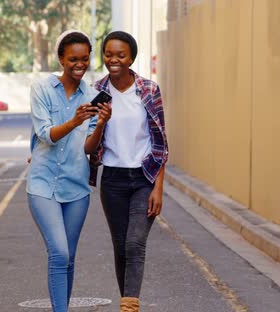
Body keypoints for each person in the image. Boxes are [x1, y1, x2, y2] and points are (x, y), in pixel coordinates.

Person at [26, 30, 111, 312]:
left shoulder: (92, 94)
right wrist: (75, 121)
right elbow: (45, 135)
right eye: (73, 59)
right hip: (42, 185)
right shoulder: (41, 89)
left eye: (85, 59)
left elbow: (88, 148)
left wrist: (99, 124)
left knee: (69, 256)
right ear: (61, 59)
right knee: (59, 252)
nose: (79, 64)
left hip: (76, 188)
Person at [89, 31, 169, 312]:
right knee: (121, 247)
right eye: (109, 54)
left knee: (135, 243)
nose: (114, 60)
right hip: (112, 179)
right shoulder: (97, 91)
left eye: (120, 55)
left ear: (131, 58)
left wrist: (158, 187)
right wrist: (100, 122)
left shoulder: (148, 90)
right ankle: (128, 302)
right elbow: (88, 143)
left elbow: (160, 143)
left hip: (143, 178)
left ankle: (129, 307)